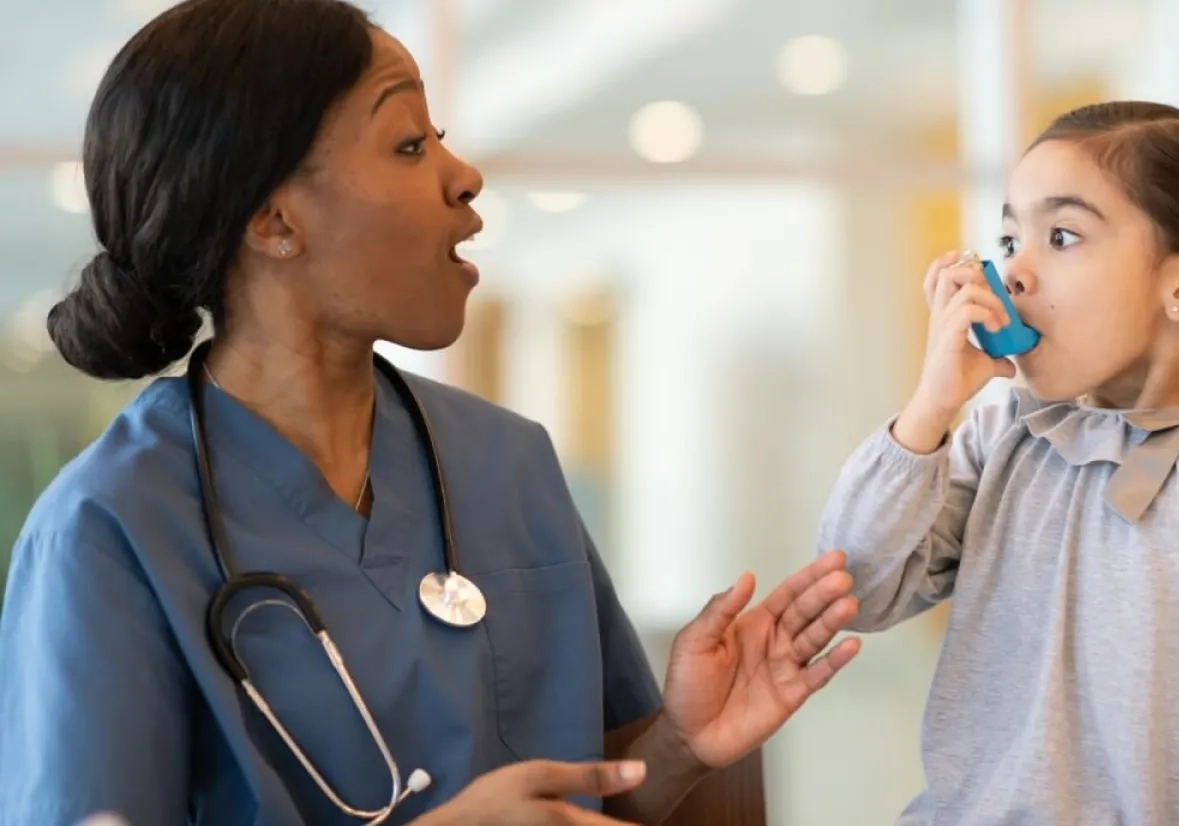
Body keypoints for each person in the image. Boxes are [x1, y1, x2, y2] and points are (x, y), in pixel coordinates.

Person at [0, 1, 864, 824]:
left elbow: (582, 797)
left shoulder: (507, 463)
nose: (465, 175)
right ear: (273, 222)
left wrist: (678, 744)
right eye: (410, 145)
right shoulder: (108, 529)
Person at [816, 101, 1179, 825]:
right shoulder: (1007, 427)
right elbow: (855, 588)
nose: (1016, 273)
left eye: (1061, 236)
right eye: (1009, 239)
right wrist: (929, 411)